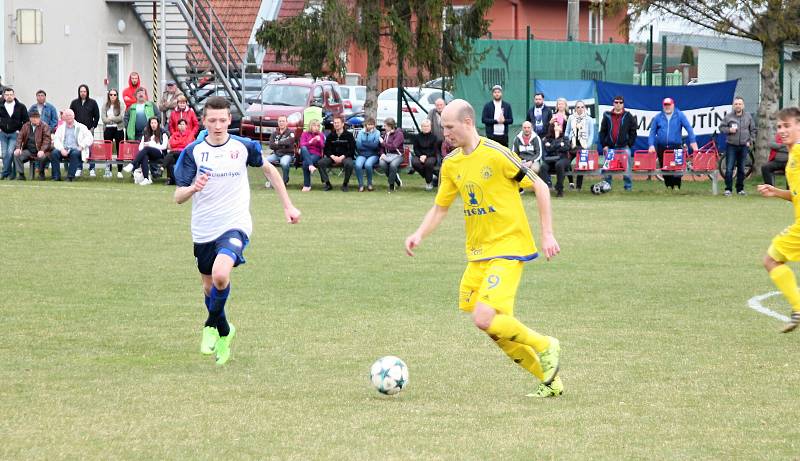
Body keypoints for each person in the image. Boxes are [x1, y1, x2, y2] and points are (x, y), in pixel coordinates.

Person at [404, 99, 563, 398]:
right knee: (494, 329)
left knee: (483, 317)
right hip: (478, 255)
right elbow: (440, 208)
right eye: (442, 127)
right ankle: (550, 379)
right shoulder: (452, 163)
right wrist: (419, 234)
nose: (445, 132)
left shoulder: (497, 154)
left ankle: (545, 345)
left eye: (449, 126)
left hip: (508, 247)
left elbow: (540, 187)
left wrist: (548, 234)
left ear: (467, 122)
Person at [173, 96, 301, 365]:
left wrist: (288, 206)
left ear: (229, 120)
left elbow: (270, 172)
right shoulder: (193, 152)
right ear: (204, 121)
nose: (218, 125)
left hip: (235, 223)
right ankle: (224, 331)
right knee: (209, 287)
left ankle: (209, 325)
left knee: (221, 274)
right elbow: (178, 197)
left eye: (222, 120)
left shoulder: (244, 147)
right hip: (203, 229)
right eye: (212, 120)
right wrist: (194, 188)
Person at [757, 107, 800, 333]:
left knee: (771, 260)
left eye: (787, 125)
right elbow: (795, 196)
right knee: (771, 259)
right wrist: (776, 192)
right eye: (779, 126)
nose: (782, 130)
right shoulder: (791, 157)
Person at [648, 97, 698, 190]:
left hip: (676, 147)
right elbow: (652, 132)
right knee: (665, 169)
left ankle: (677, 187)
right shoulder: (658, 117)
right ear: (663, 106)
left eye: (669, 105)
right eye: (665, 105)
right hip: (662, 147)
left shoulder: (680, 115)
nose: (667, 107)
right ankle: (668, 187)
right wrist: (651, 144)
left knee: (677, 169)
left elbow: (689, 128)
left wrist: (693, 141)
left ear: (673, 105)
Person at [719, 96, 757, 196]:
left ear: (743, 105)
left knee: (741, 168)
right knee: (729, 168)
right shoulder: (728, 117)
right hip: (731, 145)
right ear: (733, 105)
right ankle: (728, 189)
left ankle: (740, 189)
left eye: (740, 104)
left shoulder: (748, 116)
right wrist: (729, 130)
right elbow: (721, 128)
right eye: (736, 104)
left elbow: (753, 130)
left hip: (744, 146)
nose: (738, 106)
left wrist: (751, 141)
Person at [599, 95, 638, 191]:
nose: (618, 104)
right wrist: (604, 145)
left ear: (623, 104)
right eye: (616, 102)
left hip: (624, 147)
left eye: (620, 102)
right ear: (613, 103)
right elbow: (602, 132)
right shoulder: (607, 115)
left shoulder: (628, 116)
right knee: (607, 167)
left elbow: (633, 131)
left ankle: (628, 187)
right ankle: (606, 186)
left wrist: (629, 144)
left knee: (627, 167)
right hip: (610, 148)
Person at [123, 117, 168, 186]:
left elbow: (164, 146)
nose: (153, 125)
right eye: (152, 123)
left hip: (159, 153)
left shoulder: (163, 132)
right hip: (148, 153)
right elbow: (141, 146)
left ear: (158, 124)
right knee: (144, 156)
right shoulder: (146, 132)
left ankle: (132, 164)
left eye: (155, 123)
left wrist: (151, 145)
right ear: (149, 124)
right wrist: (144, 150)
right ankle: (146, 179)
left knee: (146, 148)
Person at [51, 109, 93, 181]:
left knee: (74, 153)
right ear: (64, 117)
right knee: (54, 153)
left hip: (77, 149)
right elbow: (56, 140)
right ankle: (56, 177)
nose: (68, 117)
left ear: (74, 116)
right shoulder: (61, 128)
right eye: (66, 115)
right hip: (64, 149)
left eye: (70, 115)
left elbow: (90, 138)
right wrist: (61, 149)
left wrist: (82, 146)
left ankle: (70, 177)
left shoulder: (81, 127)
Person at [69, 84, 100, 177]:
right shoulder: (74, 103)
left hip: (89, 130)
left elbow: (97, 116)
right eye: (81, 91)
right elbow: (71, 115)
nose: (83, 93)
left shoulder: (93, 103)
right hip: (77, 130)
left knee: (90, 149)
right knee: (79, 149)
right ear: (79, 92)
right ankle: (79, 168)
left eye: (84, 91)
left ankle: (92, 168)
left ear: (87, 92)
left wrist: (93, 127)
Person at [320, 115, 356, 191]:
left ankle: (345, 184)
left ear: (343, 124)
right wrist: (333, 156)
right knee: (321, 163)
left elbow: (352, 149)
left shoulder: (349, 135)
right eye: (335, 123)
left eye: (338, 123)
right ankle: (327, 184)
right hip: (333, 157)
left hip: (345, 157)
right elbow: (326, 149)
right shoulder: (331, 135)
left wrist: (342, 157)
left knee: (349, 164)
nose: (336, 124)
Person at [13, 109, 51, 180]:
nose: (35, 119)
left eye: (37, 117)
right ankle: (21, 174)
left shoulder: (45, 126)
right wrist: (18, 148)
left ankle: (41, 173)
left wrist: (42, 150)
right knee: (17, 155)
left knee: (42, 157)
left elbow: (47, 140)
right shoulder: (25, 126)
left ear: (39, 118)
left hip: (41, 150)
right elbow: (19, 138)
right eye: (33, 117)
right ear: (30, 118)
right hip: (29, 151)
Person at [565, 100, 595, 191]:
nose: (580, 109)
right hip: (572, 145)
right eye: (578, 107)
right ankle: (571, 183)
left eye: (582, 107)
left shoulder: (589, 119)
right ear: (575, 109)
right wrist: (567, 142)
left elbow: (591, 134)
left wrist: (587, 146)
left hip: (583, 146)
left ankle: (578, 187)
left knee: (581, 165)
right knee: (566, 162)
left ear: (585, 108)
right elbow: (567, 131)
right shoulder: (571, 117)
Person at [0, 87, 29, 180]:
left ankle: (4, 173)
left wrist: (20, 131)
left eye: (11, 94)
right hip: (3, 133)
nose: (9, 96)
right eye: (7, 95)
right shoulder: (0, 106)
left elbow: (26, 121)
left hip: (15, 134)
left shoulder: (21, 107)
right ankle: (10, 175)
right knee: (5, 154)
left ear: (14, 95)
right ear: (4, 96)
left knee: (10, 152)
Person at [539, 121, 571, 197]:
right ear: (552, 128)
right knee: (543, 166)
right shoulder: (547, 139)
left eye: (559, 125)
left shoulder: (565, 138)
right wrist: (559, 144)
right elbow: (548, 150)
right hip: (550, 159)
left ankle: (559, 189)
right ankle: (545, 188)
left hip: (563, 159)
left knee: (559, 164)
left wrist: (553, 145)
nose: (558, 127)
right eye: (556, 126)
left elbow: (566, 148)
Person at [101, 89, 126, 178]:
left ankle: (119, 170)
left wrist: (111, 118)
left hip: (118, 129)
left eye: (114, 95)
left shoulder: (121, 104)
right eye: (111, 94)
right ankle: (108, 170)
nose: (112, 96)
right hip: (108, 129)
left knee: (120, 149)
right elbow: (103, 118)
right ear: (108, 95)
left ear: (117, 95)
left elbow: (121, 117)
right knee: (108, 150)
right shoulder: (105, 105)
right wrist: (111, 119)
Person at [266, 115, 295, 187]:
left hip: (287, 154)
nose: (281, 123)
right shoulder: (274, 133)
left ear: (287, 123)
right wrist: (283, 144)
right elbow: (271, 146)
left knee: (284, 163)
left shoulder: (291, 133)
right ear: (278, 122)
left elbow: (289, 142)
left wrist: (278, 143)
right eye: (280, 121)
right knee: (265, 161)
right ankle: (271, 181)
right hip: (276, 154)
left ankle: (284, 181)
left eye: (283, 121)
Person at [165, 118, 195, 185]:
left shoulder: (190, 134)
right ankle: (172, 179)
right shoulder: (174, 134)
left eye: (183, 124)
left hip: (184, 153)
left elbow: (187, 144)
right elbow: (172, 144)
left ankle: (162, 168)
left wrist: (178, 143)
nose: (181, 126)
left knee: (170, 154)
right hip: (174, 153)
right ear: (178, 126)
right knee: (171, 159)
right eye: (180, 124)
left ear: (186, 126)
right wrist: (181, 142)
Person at [379, 117, 405, 193]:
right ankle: (396, 178)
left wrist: (383, 143)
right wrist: (382, 154)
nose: (384, 127)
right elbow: (381, 147)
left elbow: (394, 146)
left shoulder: (399, 134)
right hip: (387, 155)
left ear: (391, 126)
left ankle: (391, 185)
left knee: (393, 165)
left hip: (398, 155)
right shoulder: (384, 134)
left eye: (385, 126)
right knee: (382, 163)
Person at [412, 119, 439, 190]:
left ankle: (428, 182)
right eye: (424, 126)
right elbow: (415, 148)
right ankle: (430, 177)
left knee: (428, 163)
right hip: (419, 155)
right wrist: (420, 156)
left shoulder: (434, 137)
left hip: (431, 156)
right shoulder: (417, 137)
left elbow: (434, 150)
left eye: (427, 126)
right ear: (421, 127)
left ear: (430, 127)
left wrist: (425, 156)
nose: (425, 128)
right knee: (415, 163)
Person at [354, 117, 380, 192]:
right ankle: (361, 185)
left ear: (374, 125)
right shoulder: (361, 132)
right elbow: (358, 145)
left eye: (372, 125)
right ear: (366, 125)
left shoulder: (377, 132)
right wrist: (369, 144)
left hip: (373, 154)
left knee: (368, 165)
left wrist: (364, 143)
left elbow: (375, 145)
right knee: (358, 165)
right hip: (362, 154)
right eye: (369, 124)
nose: (370, 126)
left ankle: (369, 184)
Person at [299, 119, 325, 192]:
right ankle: (311, 165)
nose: (316, 127)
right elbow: (302, 144)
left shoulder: (321, 134)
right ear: (310, 126)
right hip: (305, 153)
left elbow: (323, 147)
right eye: (314, 125)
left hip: (316, 154)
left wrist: (319, 141)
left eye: (318, 126)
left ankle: (307, 185)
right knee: (303, 148)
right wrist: (310, 142)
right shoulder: (305, 134)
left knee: (305, 163)